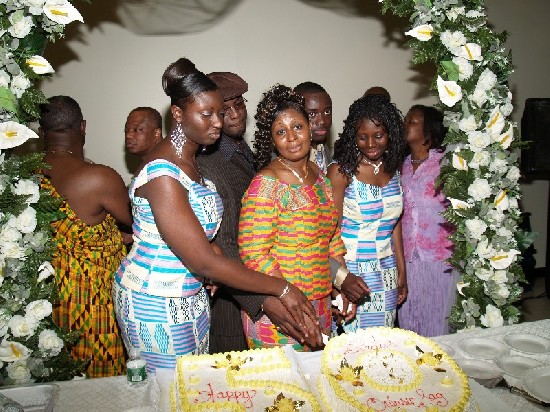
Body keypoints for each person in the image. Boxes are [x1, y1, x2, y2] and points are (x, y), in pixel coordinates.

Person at [113, 58, 320, 372]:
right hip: (155, 300)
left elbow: (193, 235)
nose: (219, 122)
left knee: (192, 387)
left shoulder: (193, 160)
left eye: (219, 113)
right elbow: (202, 262)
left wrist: (210, 247)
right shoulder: (163, 174)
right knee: (168, 394)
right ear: (179, 115)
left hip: (191, 294)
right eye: (206, 114)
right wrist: (281, 287)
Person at [198, 72, 315, 353]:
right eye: (225, 110)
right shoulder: (209, 164)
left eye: (239, 103)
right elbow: (223, 244)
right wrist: (262, 300)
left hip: (274, 283)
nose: (236, 114)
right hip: (236, 299)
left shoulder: (246, 152)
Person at [238, 84, 348, 350]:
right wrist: (289, 299)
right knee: (282, 388)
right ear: (272, 139)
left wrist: (341, 284)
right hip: (281, 312)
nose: (292, 137)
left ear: (309, 127)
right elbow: (254, 254)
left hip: (320, 302)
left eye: (297, 127)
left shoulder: (318, 176)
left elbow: (331, 237)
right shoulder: (266, 183)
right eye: (281, 131)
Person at [39, 95, 132, 378]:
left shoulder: (26, 175)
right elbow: (138, 224)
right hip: (93, 305)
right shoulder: (100, 177)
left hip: (47, 302)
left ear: (42, 132)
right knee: (99, 385)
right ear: (83, 127)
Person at [328, 94, 408, 332]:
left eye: (378, 136)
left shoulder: (394, 169)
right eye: (363, 137)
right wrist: (339, 283)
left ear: (390, 135)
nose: (371, 144)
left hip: (386, 272)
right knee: (351, 352)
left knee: (382, 348)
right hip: (351, 271)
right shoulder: (341, 172)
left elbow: (394, 224)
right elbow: (331, 234)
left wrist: (402, 271)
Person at [398, 104, 455, 337]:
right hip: (407, 260)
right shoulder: (401, 166)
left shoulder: (446, 164)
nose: (406, 125)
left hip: (438, 260)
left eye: (412, 121)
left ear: (429, 130)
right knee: (409, 323)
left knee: (437, 322)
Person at [294, 82, 332, 173]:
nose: (322, 121)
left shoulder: (323, 148)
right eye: (311, 114)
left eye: (327, 112)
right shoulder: (288, 158)